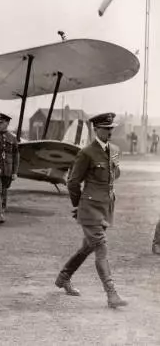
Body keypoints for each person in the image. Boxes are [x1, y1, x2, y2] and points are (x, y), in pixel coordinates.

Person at [55, 112, 127, 309]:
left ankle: (64, 277)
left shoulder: (114, 150)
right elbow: (72, 182)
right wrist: (78, 206)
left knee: (88, 247)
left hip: (105, 209)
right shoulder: (86, 152)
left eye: (111, 128)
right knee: (101, 247)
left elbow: (114, 176)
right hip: (89, 209)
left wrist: (115, 167)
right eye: (105, 129)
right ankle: (111, 293)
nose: (109, 132)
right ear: (96, 129)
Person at [0, 113, 20, 224]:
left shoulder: (12, 138)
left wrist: (15, 172)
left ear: (7, 123)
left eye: (1, 123)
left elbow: (16, 155)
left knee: (4, 191)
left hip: (7, 170)